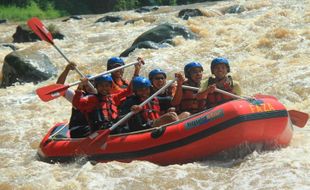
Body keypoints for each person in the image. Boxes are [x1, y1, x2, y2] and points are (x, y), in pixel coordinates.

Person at [56, 62, 96, 137]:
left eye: (92, 84)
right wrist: (67, 70)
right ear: (83, 87)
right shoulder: (77, 96)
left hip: (93, 127)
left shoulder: (100, 95)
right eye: (87, 85)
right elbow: (59, 87)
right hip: (79, 129)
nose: (90, 86)